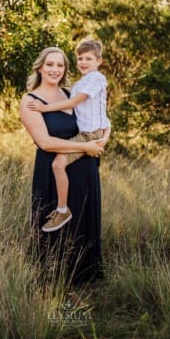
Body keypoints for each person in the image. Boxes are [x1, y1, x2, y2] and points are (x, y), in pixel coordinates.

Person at [20, 46, 108, 284]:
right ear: (40, 67)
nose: (55, 69)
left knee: (83, 221)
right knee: (55, 227)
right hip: (53, 170)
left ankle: (85, 276)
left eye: (60, 65)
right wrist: (86, 148)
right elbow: (45, 143)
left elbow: (98, 118)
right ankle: (53, 279)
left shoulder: (72, 94)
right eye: (50, 64)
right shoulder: (30, 101)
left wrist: (103, 138)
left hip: (84, 168)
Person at [27, 37, 111, 233]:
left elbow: (74, 103)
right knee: (57, 164)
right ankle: (62, 209)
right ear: (40, 68)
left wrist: (44, 108)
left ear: (99, 61)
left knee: (58, 164)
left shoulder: (95, 79)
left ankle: (63, 210)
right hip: (86, 138)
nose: (83, 63)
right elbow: (45, 142)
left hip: (89, 136)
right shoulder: (79, 84)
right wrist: (101, 137)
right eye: (80, 59)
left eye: (89, 59)